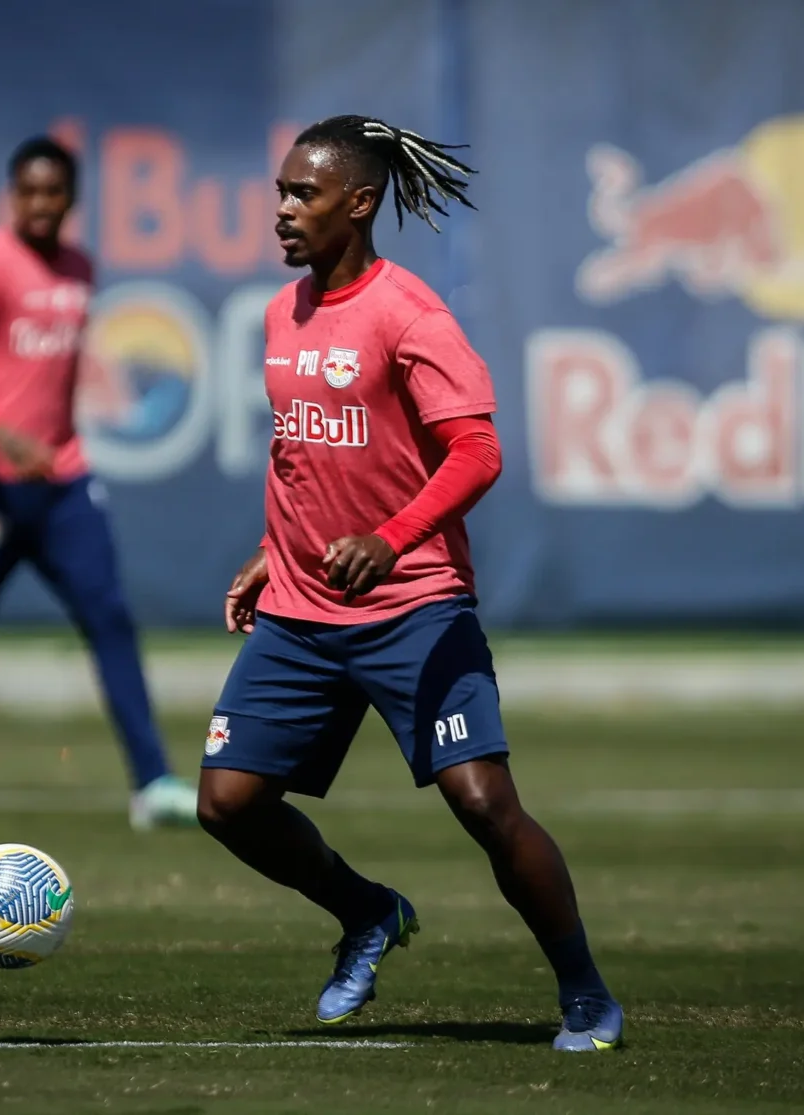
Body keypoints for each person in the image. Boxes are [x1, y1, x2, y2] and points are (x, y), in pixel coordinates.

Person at [196, 116, 623, 1051]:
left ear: (359, 202)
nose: (281, 210)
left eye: (301, 194)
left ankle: (586, 992)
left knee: (483, 803)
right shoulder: (283, 313)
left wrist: (390, 541)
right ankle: (367, 912)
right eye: (279, 191)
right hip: (302, 613)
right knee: (226, 803)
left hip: (414, 608)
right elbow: (303, 452)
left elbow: (478, 453)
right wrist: (272, 550)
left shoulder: (411, 315)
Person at [0, 136, 197, 833]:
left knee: (110, 617)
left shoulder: (82, 264)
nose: (41, 204)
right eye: (29, 191)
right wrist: (0, 430)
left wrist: (43, 441)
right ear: (11, 195)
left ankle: (152, 783)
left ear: (72, 199)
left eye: (54, 192)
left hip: (64, 478)